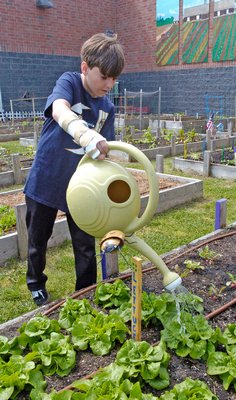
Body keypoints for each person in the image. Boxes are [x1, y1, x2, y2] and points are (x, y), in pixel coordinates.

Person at [23, 32, 125, 306]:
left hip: (81, 187)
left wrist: (104, 152)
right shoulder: (69, 82)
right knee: (37, 241)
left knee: (84, 243)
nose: (109, 84)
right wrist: (83, 132)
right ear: (85, 68)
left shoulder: (108, 108)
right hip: (46, 179)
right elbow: (59, 109)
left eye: (114, 78)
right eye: (104, 76)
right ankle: (35, 283)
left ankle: (86, 289)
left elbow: (107, 149)